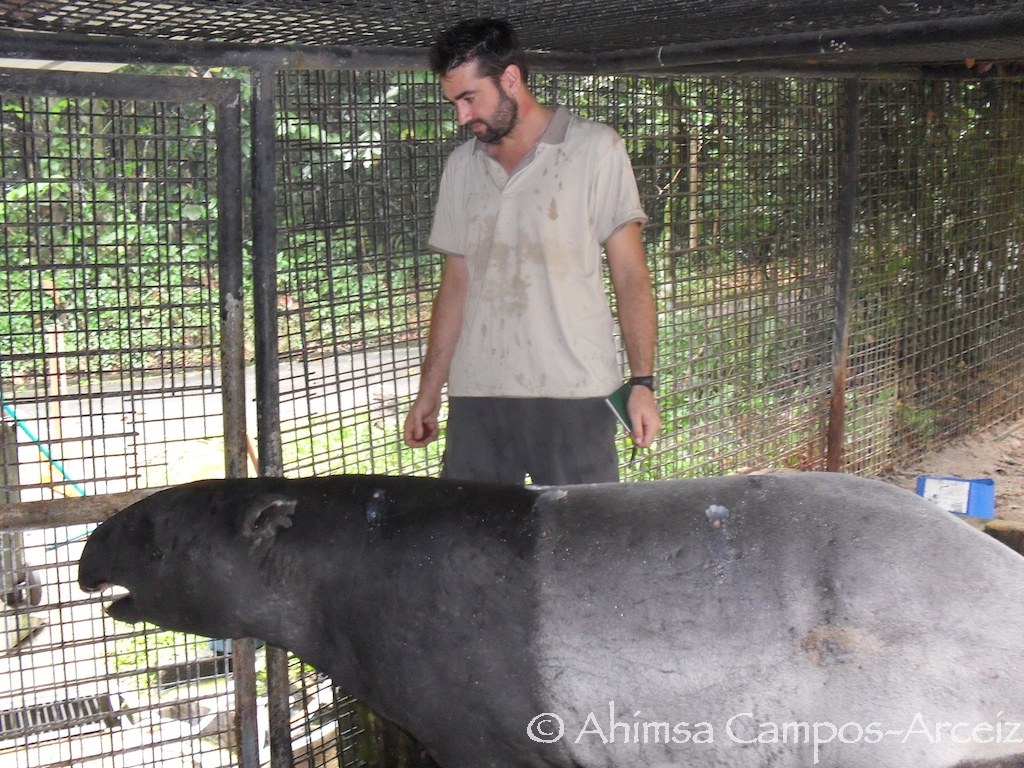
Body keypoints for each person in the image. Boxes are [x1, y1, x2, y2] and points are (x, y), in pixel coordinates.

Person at [403, 18, 660, 485]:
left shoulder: (595, 149)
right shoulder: (461, 167)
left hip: (575, 394)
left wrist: (642, 383)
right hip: (478, 397)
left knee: (576, 531)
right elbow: (455, 286)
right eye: (454, 102)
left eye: (469, 98)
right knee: (473, 529)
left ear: (510, 79)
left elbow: (631, 275)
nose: (461, 116)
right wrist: (430, 389)